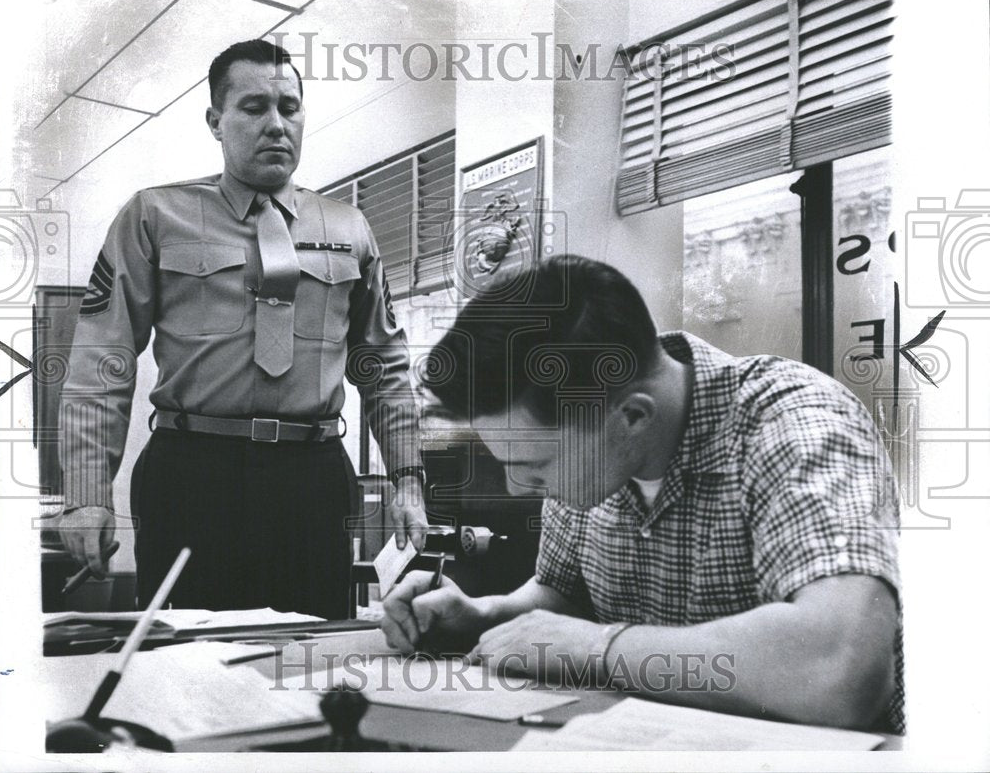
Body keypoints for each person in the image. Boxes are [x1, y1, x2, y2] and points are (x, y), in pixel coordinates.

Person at [382, 254, 903, 733]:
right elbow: (561, 593)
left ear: (633, 415)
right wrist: (485, 617)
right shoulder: (597, 442)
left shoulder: (793, 425)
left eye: (537, 467)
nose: (522, 486)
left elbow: (842, 667)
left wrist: (598, 648)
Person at [58, 39, 427, 618]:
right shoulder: (154, 216)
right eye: (254, 108)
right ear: (215, 120)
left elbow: (384, 366)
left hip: (313, 478)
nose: (277, 124)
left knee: (311, 662)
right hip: (192, 474)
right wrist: (85, 495)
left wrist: (408, 477)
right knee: (183, 660)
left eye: (289, 106)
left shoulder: (350, 226)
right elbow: (102, 358)